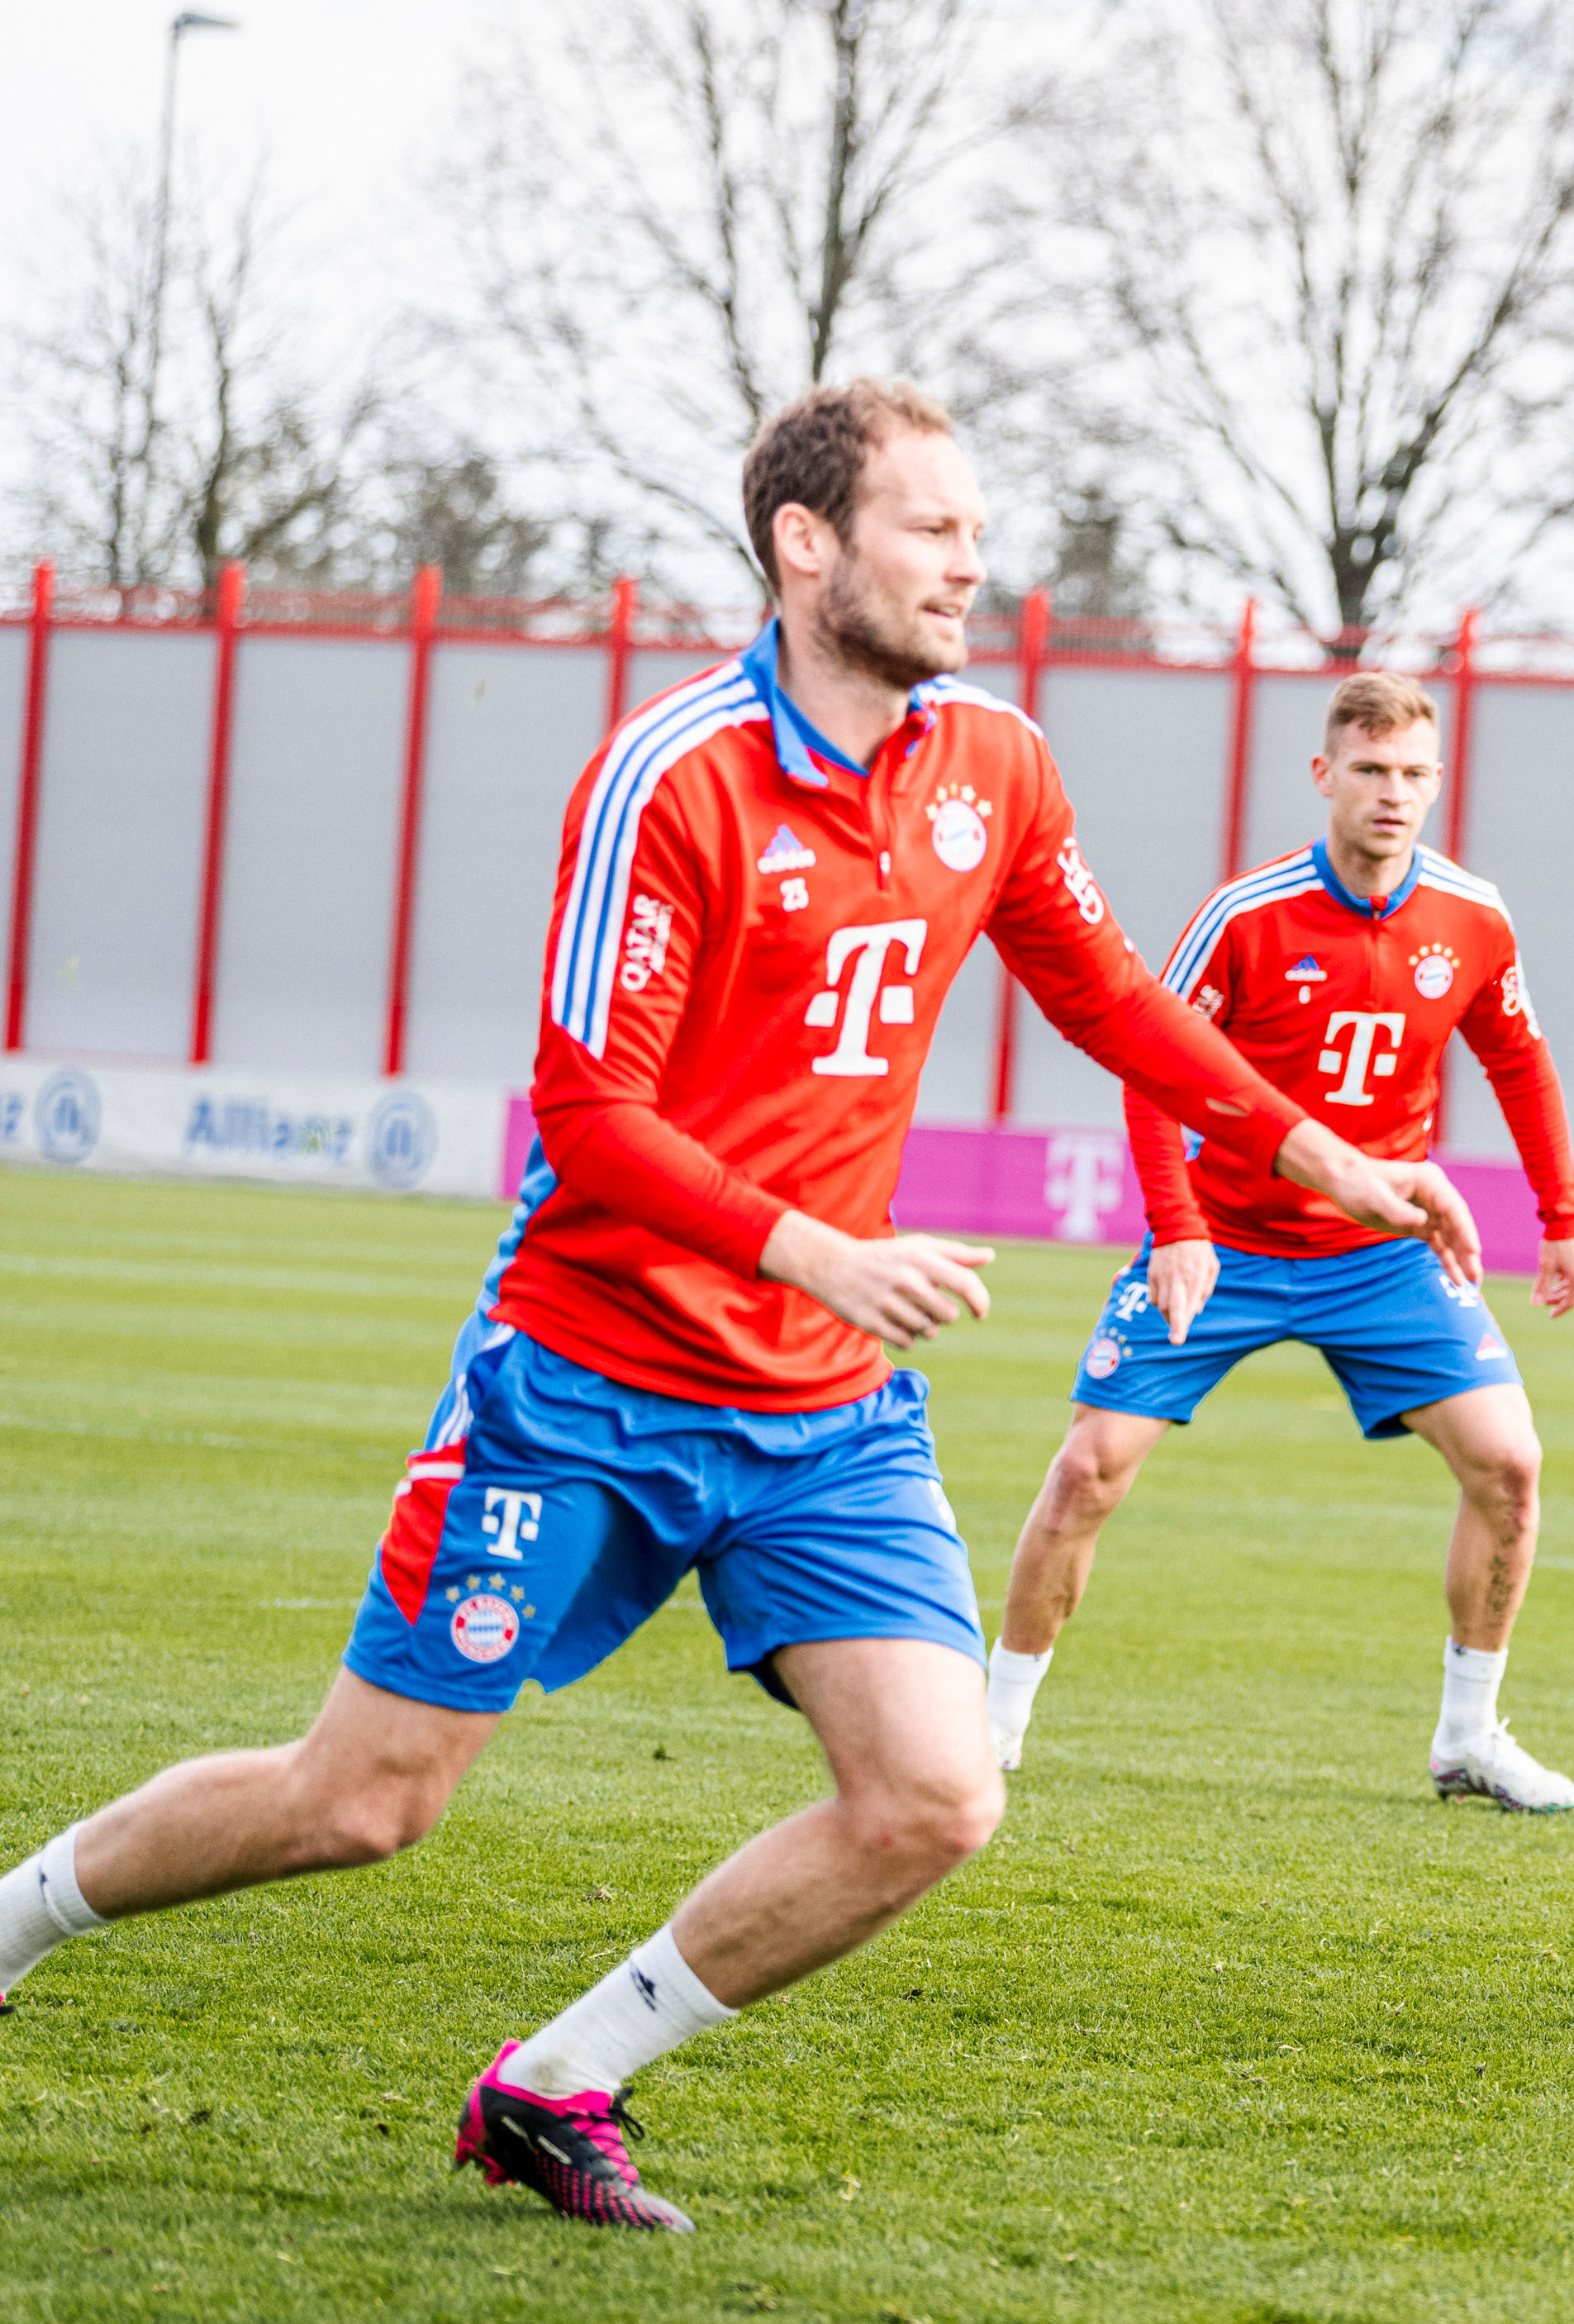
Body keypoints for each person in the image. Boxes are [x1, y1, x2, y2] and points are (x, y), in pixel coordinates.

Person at [0, 382, 1477, 2231]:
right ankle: (13, 1920)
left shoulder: (997, 762)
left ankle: (553, 2083)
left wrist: (1325, 1155)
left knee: (936, 1795)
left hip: (819, 1409)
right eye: (931, 526)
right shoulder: (672, 775)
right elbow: (584, 1107)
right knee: (365, 1797)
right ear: (807, 542)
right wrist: (813, 1246)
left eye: (972, 524)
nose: (971, 559)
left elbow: (1106, 989)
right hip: (589, 1375)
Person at [983, 671, 1574, 1803]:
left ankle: (1467, 1738)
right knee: (1087, 1473)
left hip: (1386, 1256)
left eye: (1415, 773)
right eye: (1370, 770)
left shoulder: (1472, 915)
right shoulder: (1246, 917)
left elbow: (1519, 1060)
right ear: (1325, 775)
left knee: (1511, 1465)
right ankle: (993, 1731)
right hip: (1223, 1245)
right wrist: (1174, 1229)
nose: (1392, 793)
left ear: (1438, 781)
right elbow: (1150, 1071)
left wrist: (1563, 1216)